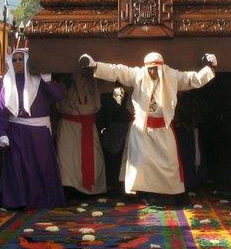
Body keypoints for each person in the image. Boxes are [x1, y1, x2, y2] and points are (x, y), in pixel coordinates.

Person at [81, 51, 216, 199]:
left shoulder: (172, 76)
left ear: (160, 67)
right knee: (141, 165)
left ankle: (168, 194)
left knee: (168, 164)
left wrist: (209, 67)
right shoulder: (138, 75)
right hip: (141, 131)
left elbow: (193, 79)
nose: (152, 72)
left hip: (163, 129)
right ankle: (143, 194)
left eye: (155, 69)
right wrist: (95, 65)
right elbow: (117, 70)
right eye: (149, 69)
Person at [0, 48, 66, 209]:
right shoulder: (7, 82)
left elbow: (59, 95)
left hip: (39, 134)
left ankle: (43, 199)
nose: (17, 62)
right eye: (14, 60)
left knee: (41, 166)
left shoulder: (39, 80)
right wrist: (2, 134)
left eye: (20, 59)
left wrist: (48, 80)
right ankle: (18, 200)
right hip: (16, 132)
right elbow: (1, 107)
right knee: (18, 167)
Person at [57, 65, 107, 196]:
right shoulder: (64, 84)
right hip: (68, 127)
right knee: (68, 159)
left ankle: (91, 188)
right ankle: (70, 188)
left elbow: (95, 105)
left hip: (88, 126)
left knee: (94, 159)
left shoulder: (93, 83)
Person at [97, 84, 132, 195]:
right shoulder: (111, 94)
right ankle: (113, 184)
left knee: (117, 156)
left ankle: (116, 185)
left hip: (120, 125)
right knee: (113, 155)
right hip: (114, 126)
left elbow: (122, 111)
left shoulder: (122, 92)